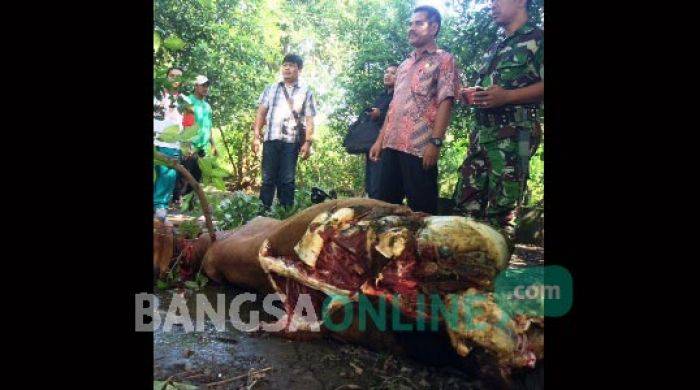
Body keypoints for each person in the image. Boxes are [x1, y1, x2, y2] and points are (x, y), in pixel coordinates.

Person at [452, 0, 543, 236]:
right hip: (482, 135)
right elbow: (494, 88)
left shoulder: (539, 38)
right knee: (466, 209)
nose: (491, 5)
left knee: (501, 213)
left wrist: (509, 96)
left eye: (497, 0)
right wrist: (474, 93)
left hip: (518, 135)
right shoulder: (496, 46)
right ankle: (469, 271)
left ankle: (496, 271)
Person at [369, 6, 460, 214]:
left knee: (423, 213)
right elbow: (394, 106)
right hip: (391, 146)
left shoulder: (444, 60)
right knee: (384, 209)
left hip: (418, 149)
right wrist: (379, 140)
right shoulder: (403, 66)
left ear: (434, 27)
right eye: (410, 24)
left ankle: (423, 248)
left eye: (419, 23)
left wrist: (435, 143)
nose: (411, 28)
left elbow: (446, 101)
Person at [252, 54, 317, 209]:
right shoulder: (271, 89)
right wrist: (256, 136)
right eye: (285, 65)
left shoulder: (306, 91)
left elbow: (309, 119)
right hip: (271, 139)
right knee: (267, 179)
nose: (287, 68)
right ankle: (262, 214)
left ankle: (285, 217)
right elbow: (261, 113)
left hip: (291, 142)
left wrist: (308, 142)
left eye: (292, 65)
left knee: (287, 180)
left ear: (299, 69)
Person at [172, 75, 213, 206]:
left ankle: (189, 203)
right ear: (196, 86)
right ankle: (176, 199)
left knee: (196, 177)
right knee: (183, 174)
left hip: (203, 146)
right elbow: (184, 123)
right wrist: (186, 143)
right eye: (203, 85)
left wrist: (213, 145)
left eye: (207, 86)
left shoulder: (207, 106)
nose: (205, 88)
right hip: (190, 145)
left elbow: (208, 125)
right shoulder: (188, 101)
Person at [153, 67, 185, 222]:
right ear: (166, 77)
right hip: (155, 141)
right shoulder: (156, 95)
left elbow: (186, 124)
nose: (174, 79)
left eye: (178, 77)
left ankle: (160, 209)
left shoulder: (184, 100)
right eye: (171, 75)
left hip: (172, 145)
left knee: (168, 177)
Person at [364, 65, 397, 199]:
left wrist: (381, 114)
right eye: (386, 72)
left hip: (389, 144)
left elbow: (395, 117)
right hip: (373, 141)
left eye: (393, 73)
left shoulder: (399, 96)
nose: (387, 75)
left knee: (381, 182)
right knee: (371, 179)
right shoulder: (381, 96)